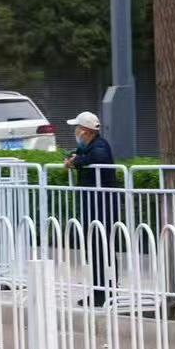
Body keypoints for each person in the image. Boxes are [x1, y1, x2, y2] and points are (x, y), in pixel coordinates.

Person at [65, 110, 120, 308]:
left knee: (101, 249)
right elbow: (80, 154)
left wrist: (76, 162)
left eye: (78, 129)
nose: (76, 133)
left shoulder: (99, 146)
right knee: (96, 250)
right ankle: (100, 292)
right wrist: (73, 157)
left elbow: (99, 158)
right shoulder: (90, 146)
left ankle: (105, 293)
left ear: (87, 132)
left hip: (102, 208)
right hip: (94, 206)